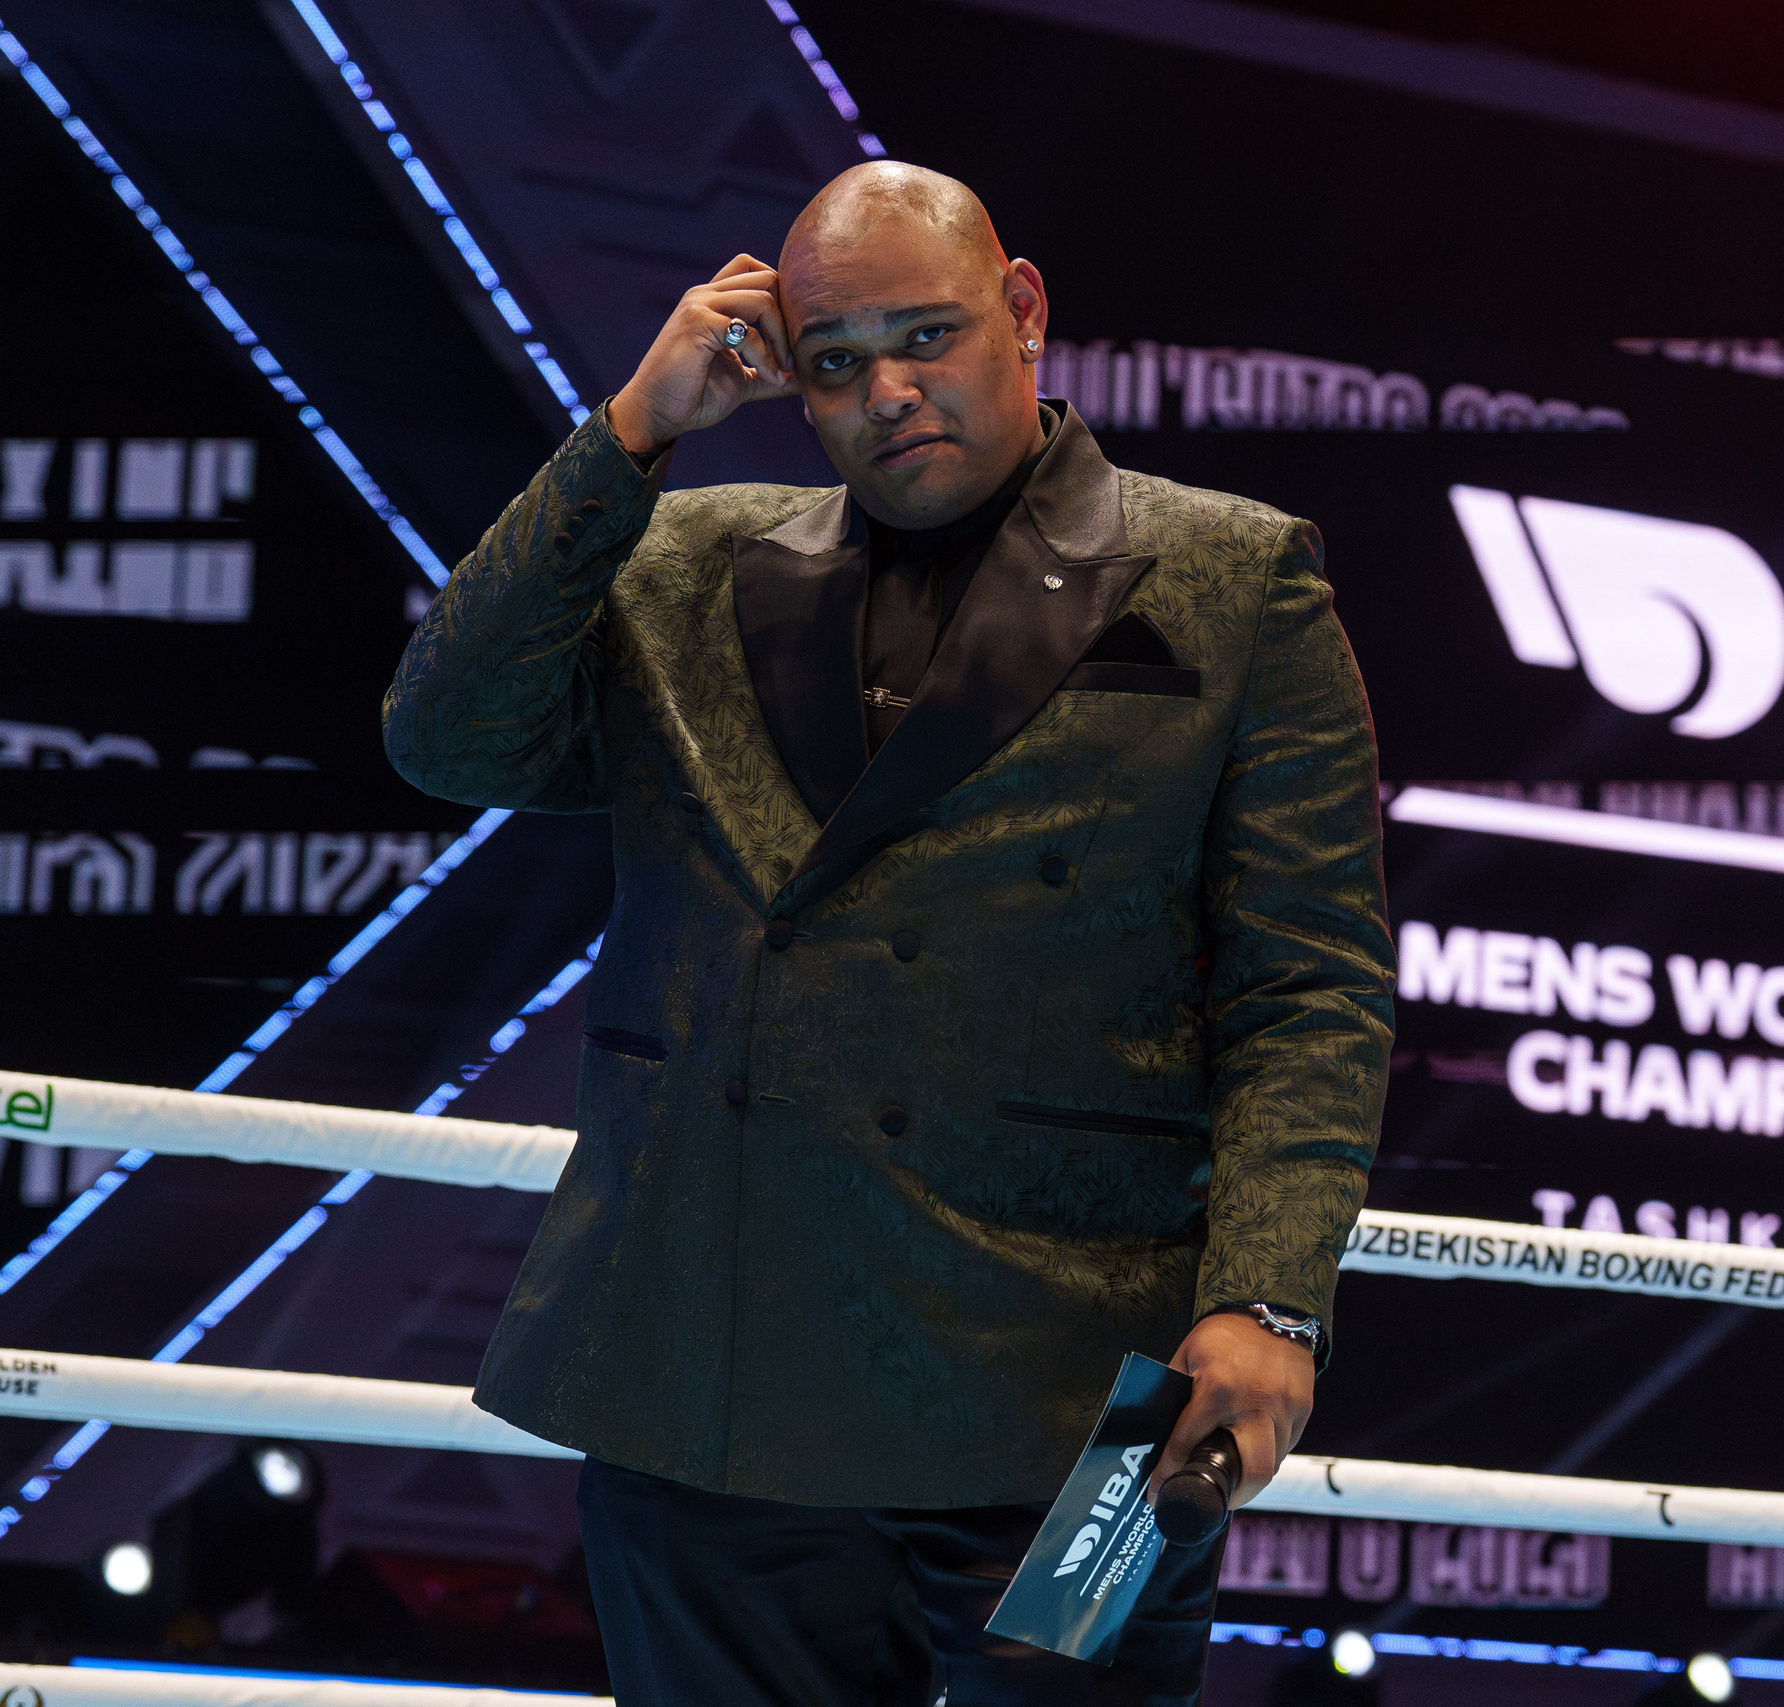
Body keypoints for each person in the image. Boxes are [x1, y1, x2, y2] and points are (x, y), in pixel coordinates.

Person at [382, 161, 1393, 1707]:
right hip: (714, 1354)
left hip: (1083, 1395)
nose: (889, 392)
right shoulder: (684, 559)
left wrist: (1266, 1302)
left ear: (1026, 312)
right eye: (838, 360)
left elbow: (1308, 989)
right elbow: (446, 738)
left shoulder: (1237, 576)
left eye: (928, 336)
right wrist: (633, 430)